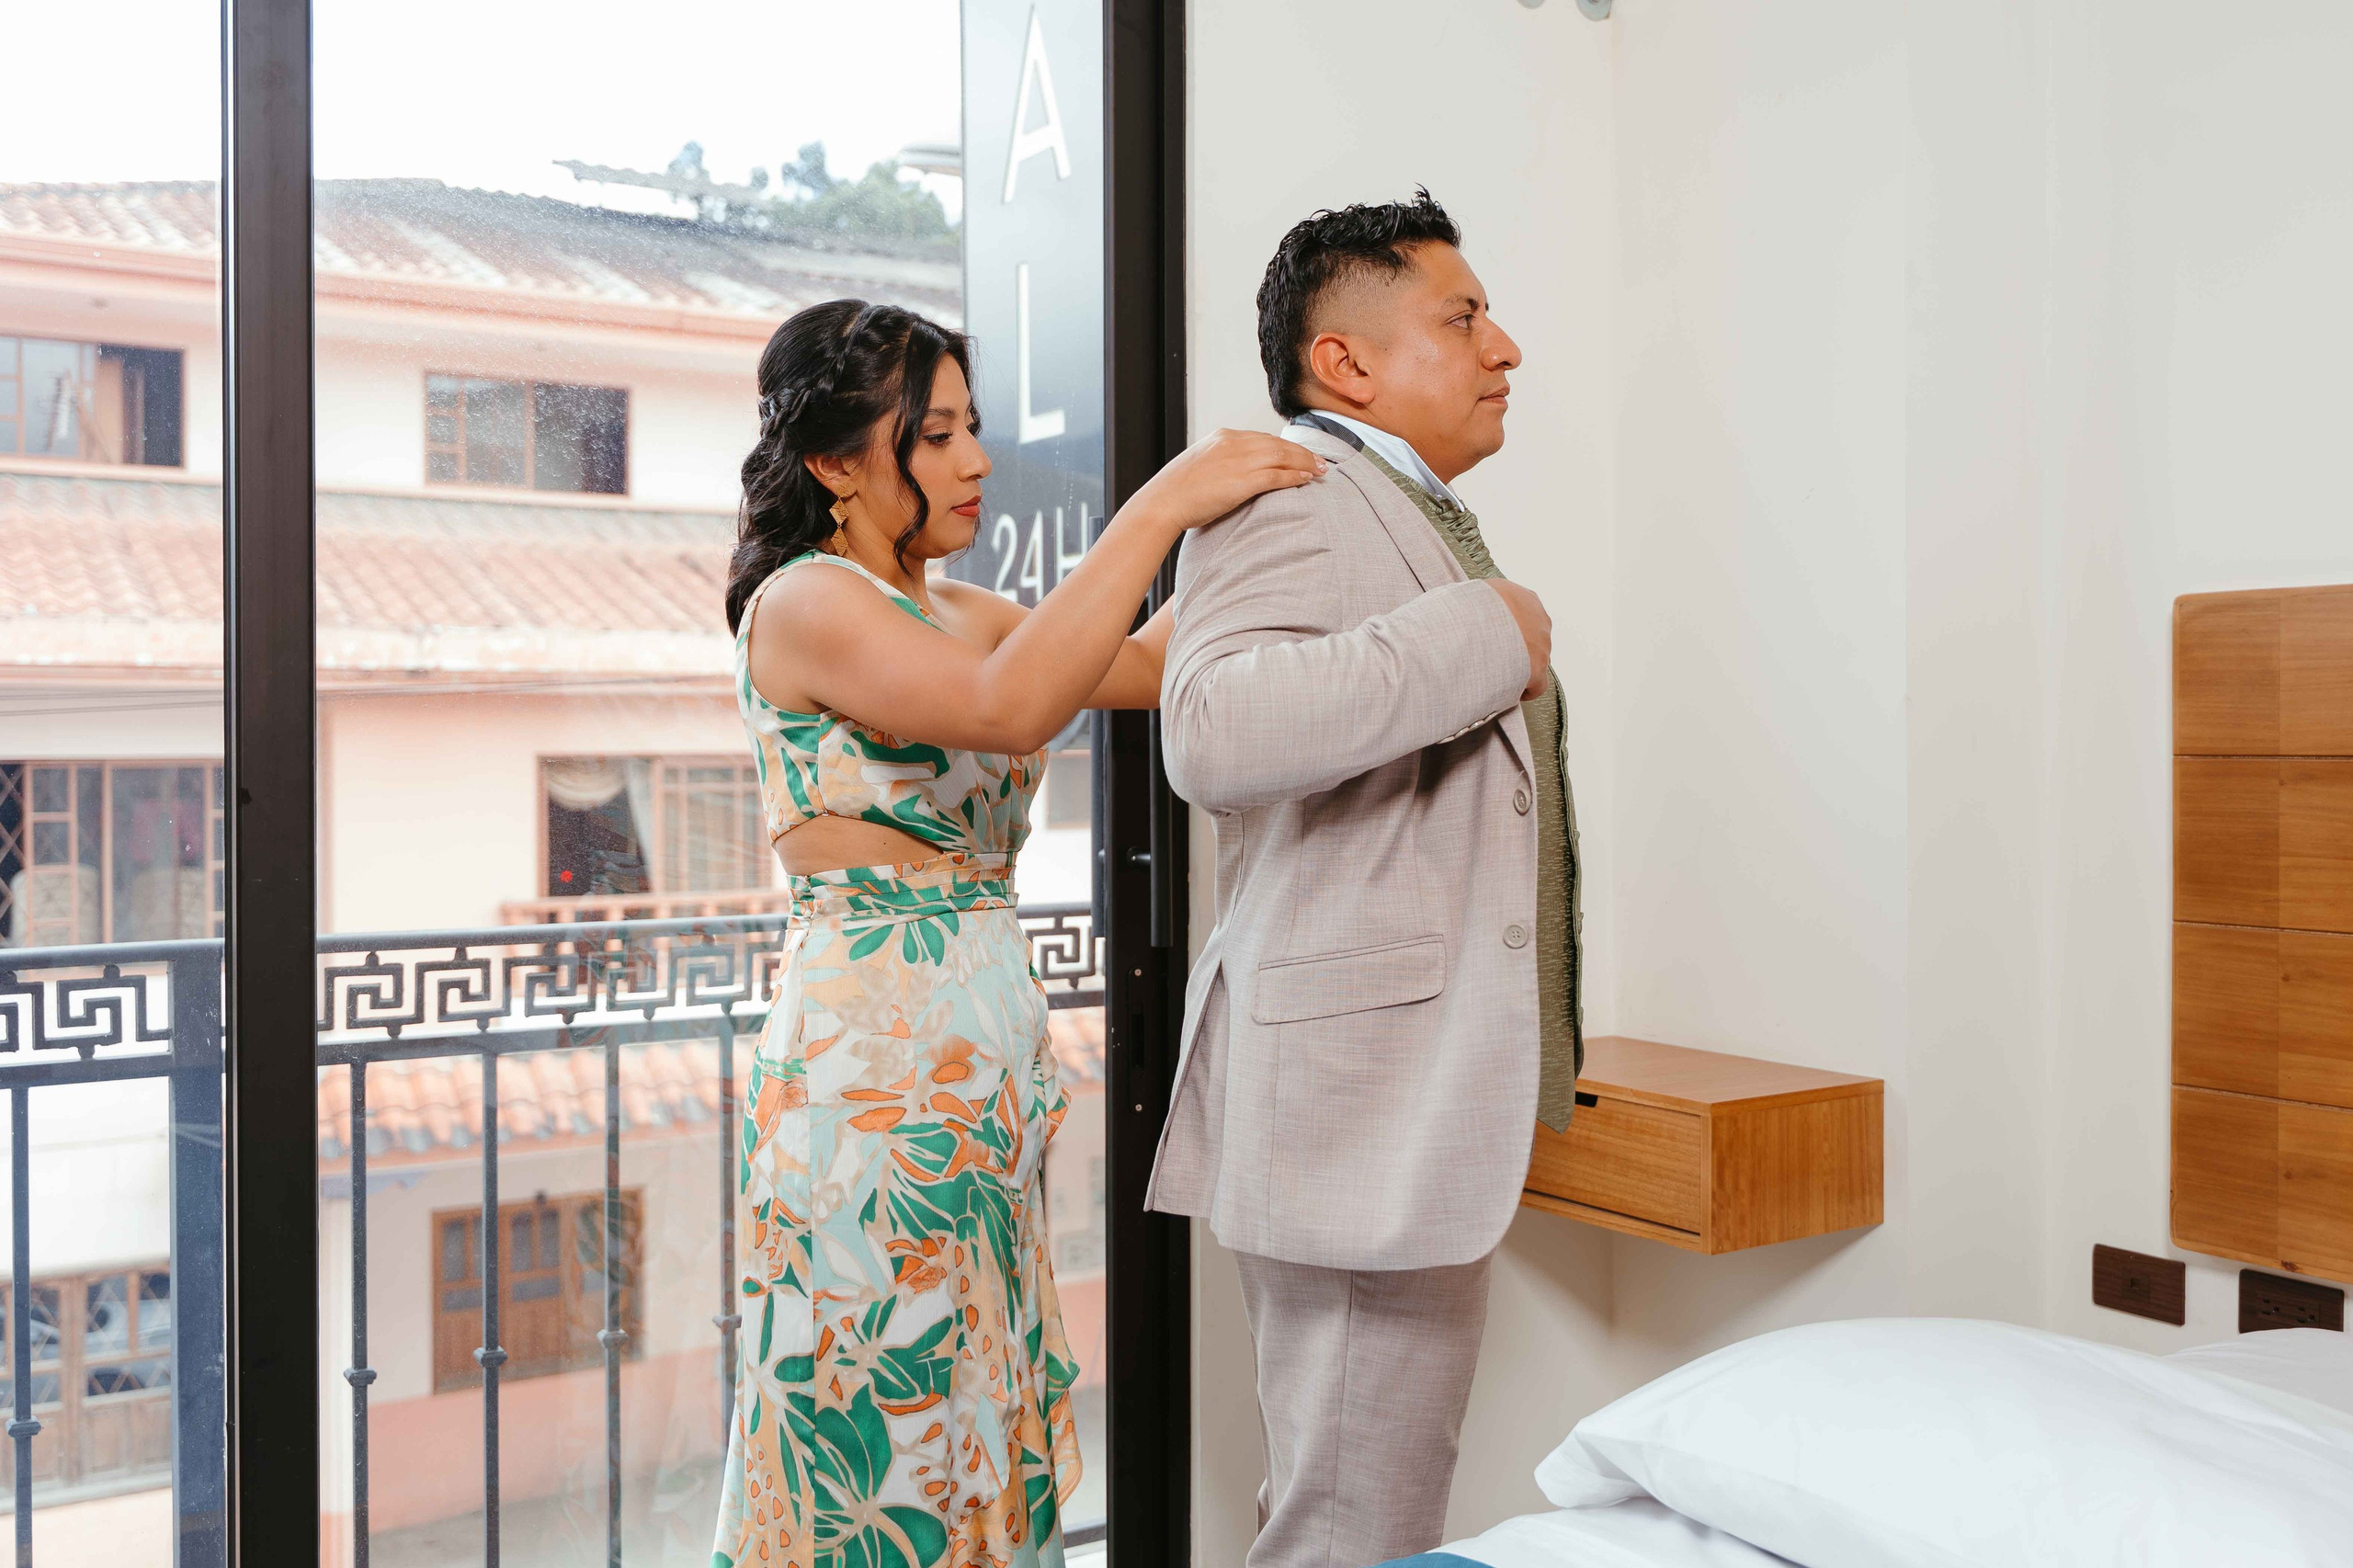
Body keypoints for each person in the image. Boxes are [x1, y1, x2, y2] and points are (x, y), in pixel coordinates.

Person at [713, 298, 1323, 1568]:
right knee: (883, 1434)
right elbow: (1010, 705)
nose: (975, 460)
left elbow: (1147, 664)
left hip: (974, 1099)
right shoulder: (805, 604)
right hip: (871, 1104)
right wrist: (1160, 504)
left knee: (967, 1420)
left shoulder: (954, 609)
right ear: (834, 461)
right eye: (931, 436)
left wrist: (1278, 525)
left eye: (973, 429)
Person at [1145, 192, 1581, 1568]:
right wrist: (1482, 632)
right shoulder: (1299, 494)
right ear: (1346, 363)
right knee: (1348, 1521)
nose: (1503, 345)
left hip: (1411, 1090)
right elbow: (1213, 732)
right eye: (1461, 317)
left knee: (1371, 1507)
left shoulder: (1408, 512)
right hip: (1356, 1102)